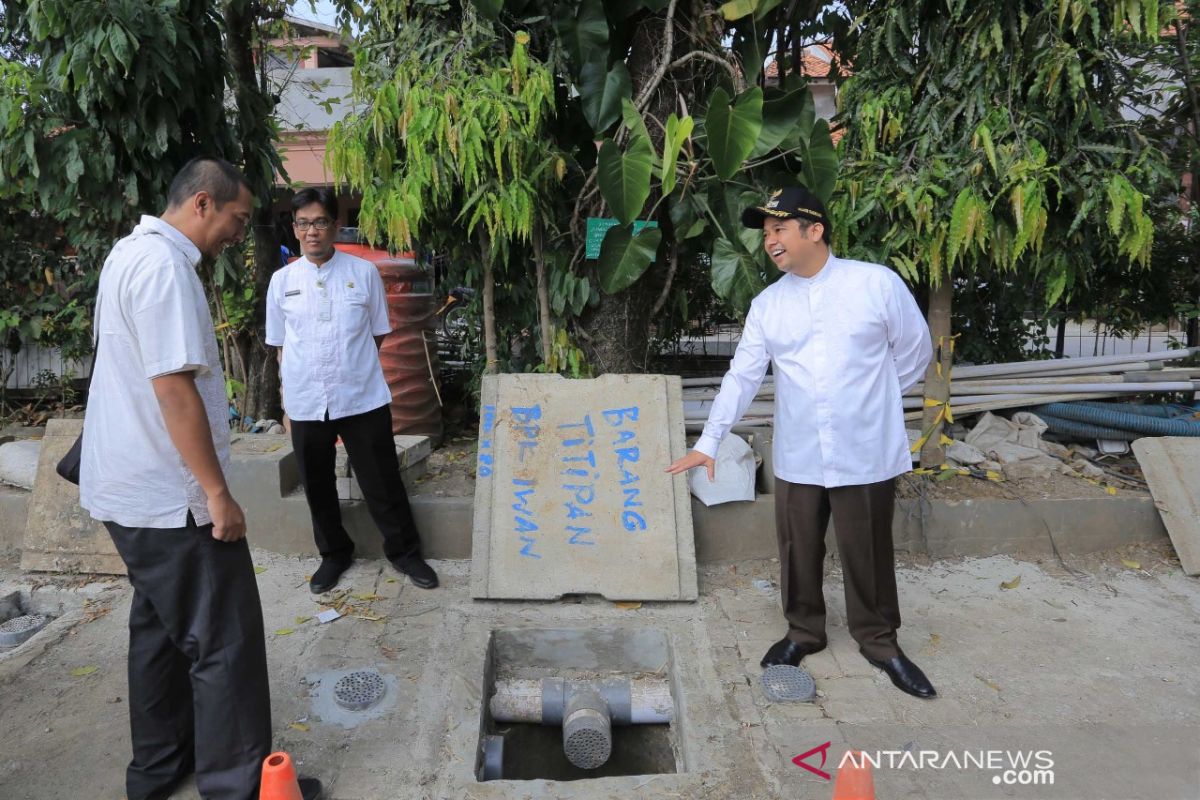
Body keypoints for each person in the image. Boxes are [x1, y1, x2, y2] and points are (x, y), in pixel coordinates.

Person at [80, 157, 322, 799]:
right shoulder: (165, 269)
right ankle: (241, 787)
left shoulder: (127, 254)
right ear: (203, 205)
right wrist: (217, 493)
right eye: (239, 220)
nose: (241, 235)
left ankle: (159, 771)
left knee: (159, 635)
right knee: (224, 642)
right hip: (167, 498)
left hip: (128, 494)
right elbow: (173, 389)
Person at [666, 186, 938, 699]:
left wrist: (869, 400)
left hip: (865, 450)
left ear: (815, 231)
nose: (770, 241)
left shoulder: (875, 285)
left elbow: (914, 351)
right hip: (799, 452)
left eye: (780, 229)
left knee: (869, 549)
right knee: (798, 548)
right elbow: (741, 376)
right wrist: (709, 441)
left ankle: (880, 642)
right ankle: (804, 632)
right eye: (766, 232)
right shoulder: (768, 304)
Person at [265, 187, 437, 594]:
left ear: (334, 226)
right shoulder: (281, 281)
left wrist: (349, 369)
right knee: (318, 484)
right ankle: (333, 554)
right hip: (308, 400)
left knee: (381, 480)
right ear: (294, 228)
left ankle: (406, 553)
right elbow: (280, 346)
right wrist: (289, 402)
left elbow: (377, 335)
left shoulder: (363, 274)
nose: (312, 231)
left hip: (361, 397)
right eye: (303, 223)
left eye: (320, 222)